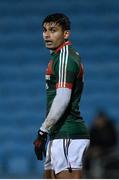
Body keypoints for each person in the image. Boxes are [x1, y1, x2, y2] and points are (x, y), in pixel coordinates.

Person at [33, 13, 90, 179]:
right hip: (59, 135)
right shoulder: (59, 57)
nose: (47, 35)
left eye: (53, 30)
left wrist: (42, 132)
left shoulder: (65, 57)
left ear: (66, 34)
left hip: (68, 135)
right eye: (44, 30)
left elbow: (63, 98)